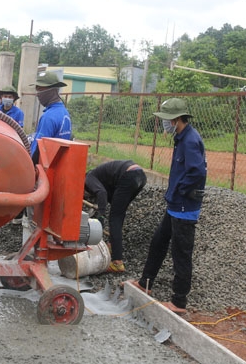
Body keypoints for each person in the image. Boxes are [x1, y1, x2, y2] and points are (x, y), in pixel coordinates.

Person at [130, 98, 207, 315]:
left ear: (175, 120)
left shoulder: (190, 140)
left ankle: (179, 302)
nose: (165, 124)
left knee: (181, 253)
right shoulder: (181, 137)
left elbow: (197, 173)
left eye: (166, 120)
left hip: (184, 206)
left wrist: (179, 191)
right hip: (176, 204)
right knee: (158, 242)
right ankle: (146, 282)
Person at [84, 160, 147, 273]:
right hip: (140, 176)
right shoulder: (102, 178)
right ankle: (113, 245)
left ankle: (117, 262)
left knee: (115, 217)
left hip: (129, 175)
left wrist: (101, 218)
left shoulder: (89, 178)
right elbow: (109, 197)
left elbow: (101, 193)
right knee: (118, 213)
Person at [29, 71, 72, 164]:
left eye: (40, 89)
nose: (38, 94)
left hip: (45, 167)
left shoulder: (48, 117)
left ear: (52, 90)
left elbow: (39, 148)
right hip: (58, 165)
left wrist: (31, 168)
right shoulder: (64, 112)